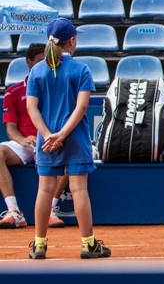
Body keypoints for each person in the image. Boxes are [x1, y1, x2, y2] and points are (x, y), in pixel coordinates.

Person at [26, 18, 111, 260]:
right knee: (79, 189)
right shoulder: (81, 69)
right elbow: (82, 107)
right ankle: (88, 244)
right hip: (74, 138)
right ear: (72, 41)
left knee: (44, 189)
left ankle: (39, 246)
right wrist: (63, 134)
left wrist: (47, 135)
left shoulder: (36, 71)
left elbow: (32, 108)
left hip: (46, 140)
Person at [1, 44, 68, 230]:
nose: (43, 66)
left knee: (71, 153)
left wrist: (50, 138)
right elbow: (11, 129)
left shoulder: (56, 87)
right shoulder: (13, 92)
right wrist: (22, 140)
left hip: (49, 140)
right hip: (24, 144)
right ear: (29, 62)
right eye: (39, 61)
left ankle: (50, 210)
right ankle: (13, 211)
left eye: (46, 61)